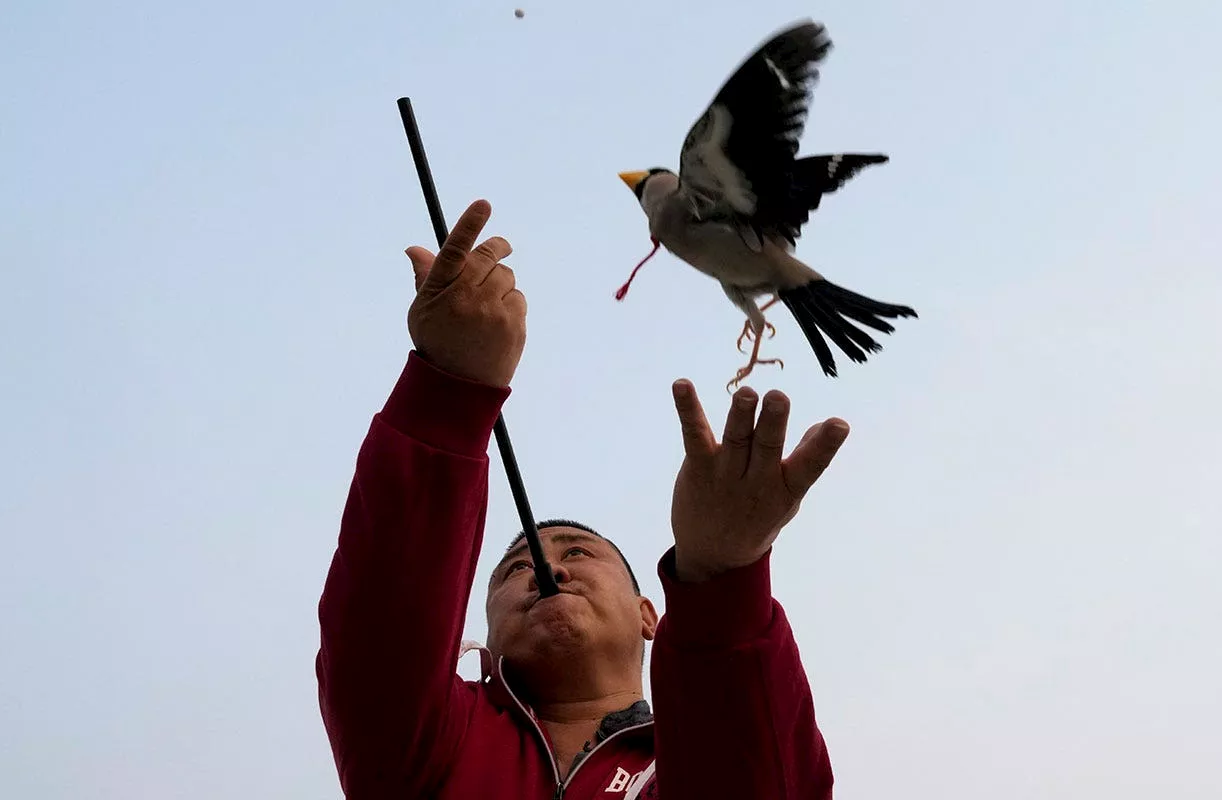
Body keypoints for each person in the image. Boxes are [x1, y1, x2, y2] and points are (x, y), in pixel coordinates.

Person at [316, 199, 853, 799]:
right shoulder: (428, 743)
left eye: (580, 552)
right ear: (485, 638)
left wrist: (723, 580)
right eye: (514, 569)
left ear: (650, 615)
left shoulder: (685, 758)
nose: (549, 567)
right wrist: (448, 389)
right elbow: (383, 629)